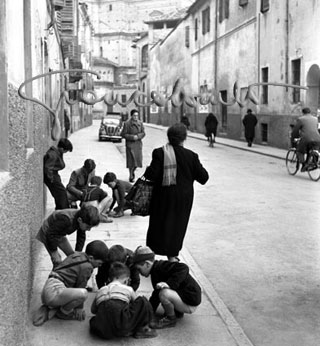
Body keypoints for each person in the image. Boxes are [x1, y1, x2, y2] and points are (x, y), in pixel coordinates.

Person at [143, 123, 209, 262]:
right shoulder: (191, 156)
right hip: (182, 200)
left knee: (158, 224)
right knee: (177, 226)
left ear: (169, 137)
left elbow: (151, 175)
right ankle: (172, 256)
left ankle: (151, 256)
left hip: (162, 197)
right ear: (184, 138)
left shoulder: (159, 153)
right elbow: (204, 178)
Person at [32, 240, 108, 326]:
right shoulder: (87, 267)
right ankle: (63, 312)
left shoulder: (77, 254)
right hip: (53, 292)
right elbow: (80, 286)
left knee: (78, 292)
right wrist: (79, 307)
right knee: (83, 294)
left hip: (49, 287)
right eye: (99, 263)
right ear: (90, 258)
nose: (100, 266)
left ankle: (51, 307)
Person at [133, 246, 201, 329]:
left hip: (191, 302)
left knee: (164, 293)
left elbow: (184, 267)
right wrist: (149, 311)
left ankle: (170, 319)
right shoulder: (155, 271)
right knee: (161, 292)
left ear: (147, 264)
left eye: (139, 269)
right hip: (186, 298)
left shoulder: (162, 267)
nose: (140, 273)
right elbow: (155, 295)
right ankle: (177, 312)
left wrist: (169, 284)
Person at [90, 261, 157, 339]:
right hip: (122, 325)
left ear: (109, 279)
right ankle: (142, 329)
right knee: (143, 301)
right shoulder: (128, 288)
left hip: (102, 329)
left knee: (94, 319)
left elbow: (93, 310)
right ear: (126, 281)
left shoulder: (101, 290)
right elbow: (137, 303)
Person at [36, 204, 100, 267]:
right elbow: (51, 233)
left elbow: (81, 237)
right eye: (88, 227)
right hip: (47, 232)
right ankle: (55, 276)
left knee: (72, 256)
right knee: (57, 261)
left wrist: (77, 252)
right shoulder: (66, 220)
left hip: (59, 233)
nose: (89, 230)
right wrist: (54, 252)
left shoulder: (82, 219)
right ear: (80, 220)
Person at [43, 138, 73, 210]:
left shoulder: (58, 153)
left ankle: (61, 209)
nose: (65, 152)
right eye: (66, 151)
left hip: (54, 176)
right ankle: (63, 211)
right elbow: (48, 168)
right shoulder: (53, 155)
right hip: (52, 177)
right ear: (62, 149)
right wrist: (52, 179)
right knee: (61, 194)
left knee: (60, 194)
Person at [291, 107, 320, 172]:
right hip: (317, 138)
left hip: (306, 138)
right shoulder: (315, 119)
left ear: (303, 113)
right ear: (310, 112)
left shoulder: (301, 119)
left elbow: (295, 130)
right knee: (312, 150)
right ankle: (312, 162)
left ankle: (304, 165)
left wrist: (294, 138)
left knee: (299, 151)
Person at [121, 109, 145, 182]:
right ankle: (131, 175)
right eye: (134, 115)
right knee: (131, 162)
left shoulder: (140, 123)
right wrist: (132, 137)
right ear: (131, 116)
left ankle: (133, 172)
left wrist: (138, 136)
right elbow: (123, 134)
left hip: (138, 145)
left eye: (137, 115)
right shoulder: (127, 123)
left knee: (138, 161)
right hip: (130, 145)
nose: (136, 117)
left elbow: (143, 133)